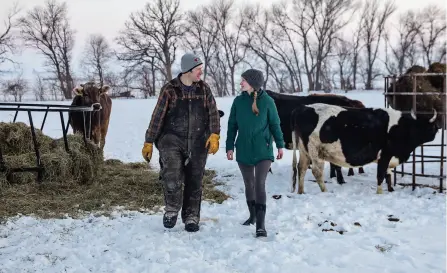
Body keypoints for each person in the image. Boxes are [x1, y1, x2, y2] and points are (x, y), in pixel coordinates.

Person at [141, 53, 221, 232]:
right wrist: (149, 141)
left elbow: (213, 113)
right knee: (172, 176)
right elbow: (157, 117)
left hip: (199, 140)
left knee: (195, 180)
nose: (201, 73)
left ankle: (191, 216)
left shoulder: (204, 89)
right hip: (171, 139)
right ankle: (171, 210)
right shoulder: (170, 90)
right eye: (198, 70)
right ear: (188, 71)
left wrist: (214, 134)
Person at [225, 68, 285, 238]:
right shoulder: (238, 102)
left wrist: (280, 145)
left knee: (259, 184)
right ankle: (252, 215)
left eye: (243, 80)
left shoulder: (268, 102)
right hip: (243, 148)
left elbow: (275, 125)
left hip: (263, 150)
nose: (241, 82)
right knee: (249, 184)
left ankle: (261, 225)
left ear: (252, 83)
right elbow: (232, 126)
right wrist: (230, 146)